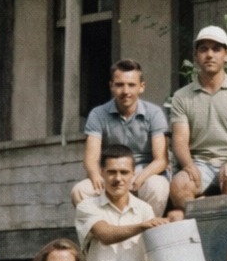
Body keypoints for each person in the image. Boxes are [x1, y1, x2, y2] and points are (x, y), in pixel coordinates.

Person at [76, 143, 170, 261]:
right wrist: (142, 226)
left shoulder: (144, 209)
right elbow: (105, 234)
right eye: (111, 172)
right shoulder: (87, 206)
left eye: (124, 172)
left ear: (133, 174)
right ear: (101, 173)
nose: (118, 178)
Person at [168, 25, 227, 213]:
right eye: (204, 49)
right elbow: (180, 139)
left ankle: (220, 223)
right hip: (200, 164)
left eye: (216, 49)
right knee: (179, 187)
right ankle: (202, 224)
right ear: (196, 56)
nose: (210, 55)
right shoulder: (181, 96)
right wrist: (189, 165)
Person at [71, 58, 171, 216]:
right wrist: (96, 176)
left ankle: (146, 229)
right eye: (119, 85)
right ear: (111, 86)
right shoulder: (98, 114)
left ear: (141, 87)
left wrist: (139, 178)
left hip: (143, 172)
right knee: (80, 191)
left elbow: (161, 160)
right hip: (112, 172)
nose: (125, 91)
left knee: (157, 186)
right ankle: (106, 229)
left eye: (131, 85)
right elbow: (91, 159)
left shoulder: (154, 113)